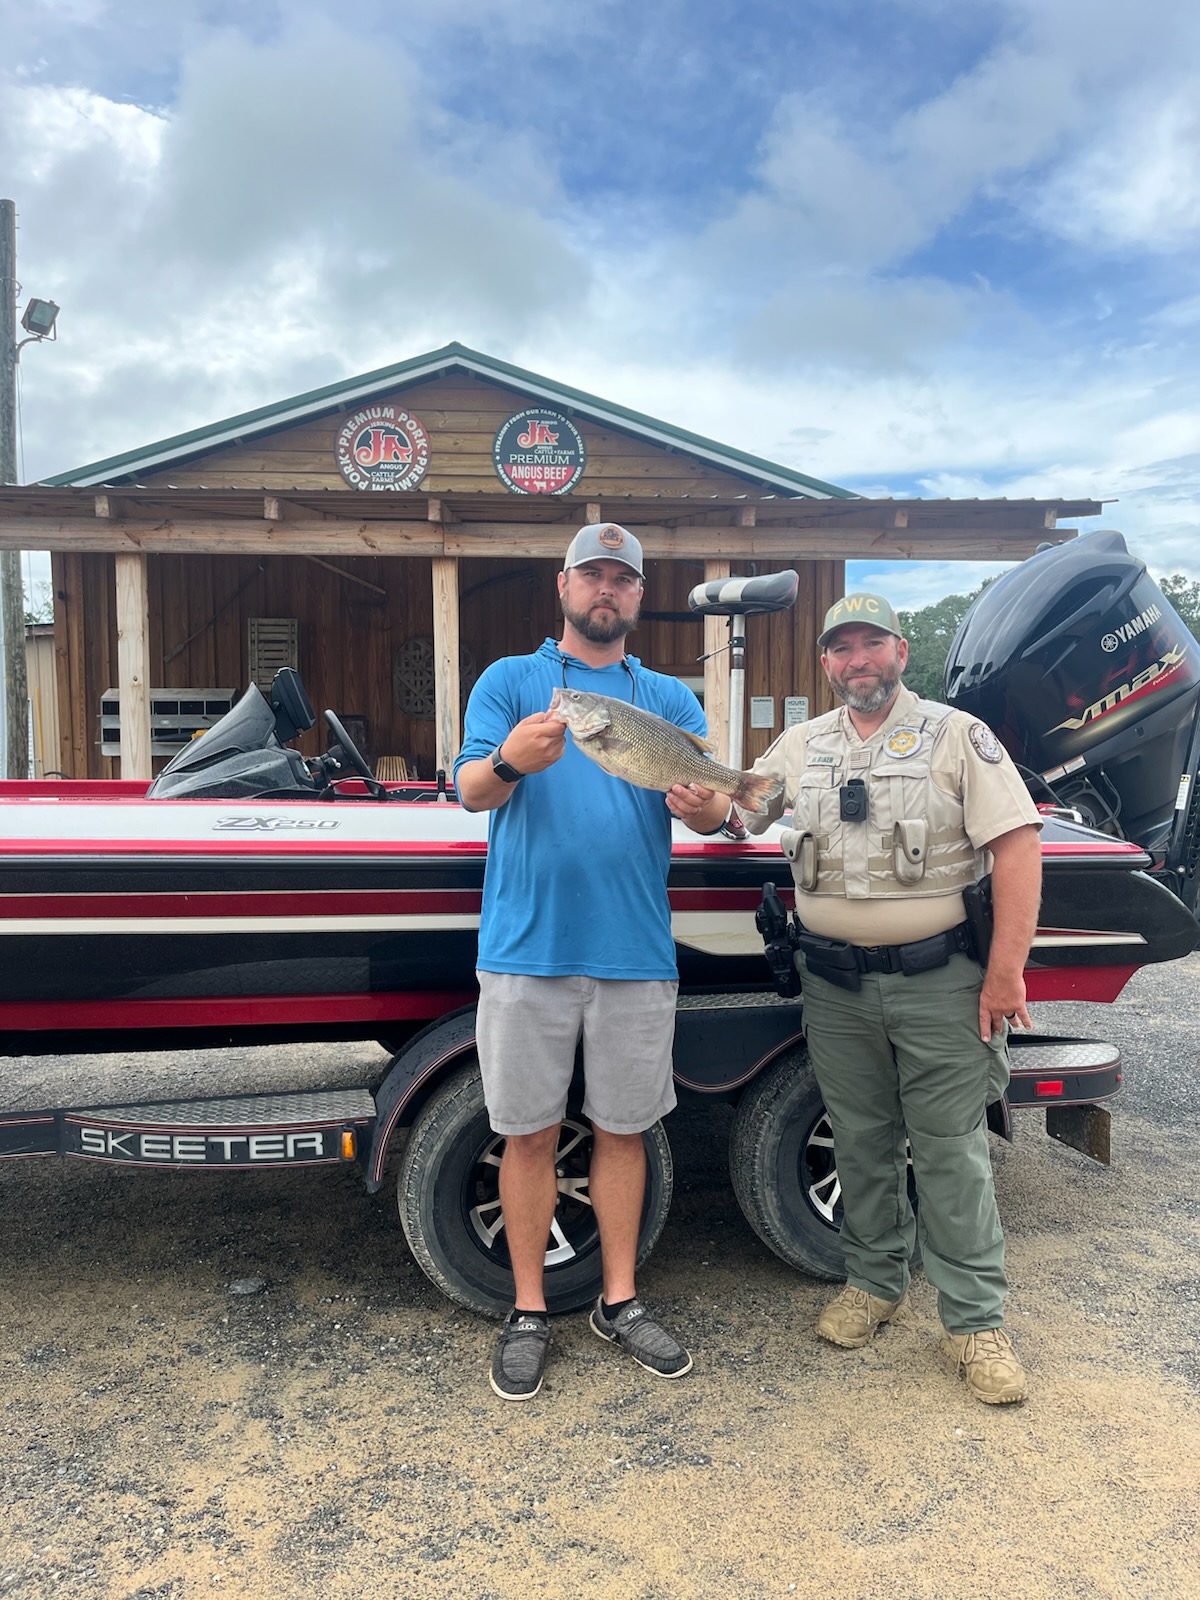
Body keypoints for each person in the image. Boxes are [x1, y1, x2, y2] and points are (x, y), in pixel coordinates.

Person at [740, 591, 1042, 1404]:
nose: (856, 660)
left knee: (949, 1150)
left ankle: (976, 1322)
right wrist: (699, 798)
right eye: (841, 648)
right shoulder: (801, 745)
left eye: (871, 643)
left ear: (901, 653)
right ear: (827, 662)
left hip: (942, 983)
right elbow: (736, 808)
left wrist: (1007, 971)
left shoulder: (955, 736)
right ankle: (874, 1285)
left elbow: (1017, 847)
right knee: (862, 1142)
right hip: (833, 985)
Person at [454, 522, 731, 1402]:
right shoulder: (511, 681)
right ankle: (529, 1309)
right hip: (526, 950)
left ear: (638, 597)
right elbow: (468, 791)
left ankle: (620, 1298)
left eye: (623, 579)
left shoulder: (667, 701)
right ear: (563, 588)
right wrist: (509, 760)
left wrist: (706, 808)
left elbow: (715, 815)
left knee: (623, 1129)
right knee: (527, 1132)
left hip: (634, 950)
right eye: (592, 576)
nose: (605, 591)